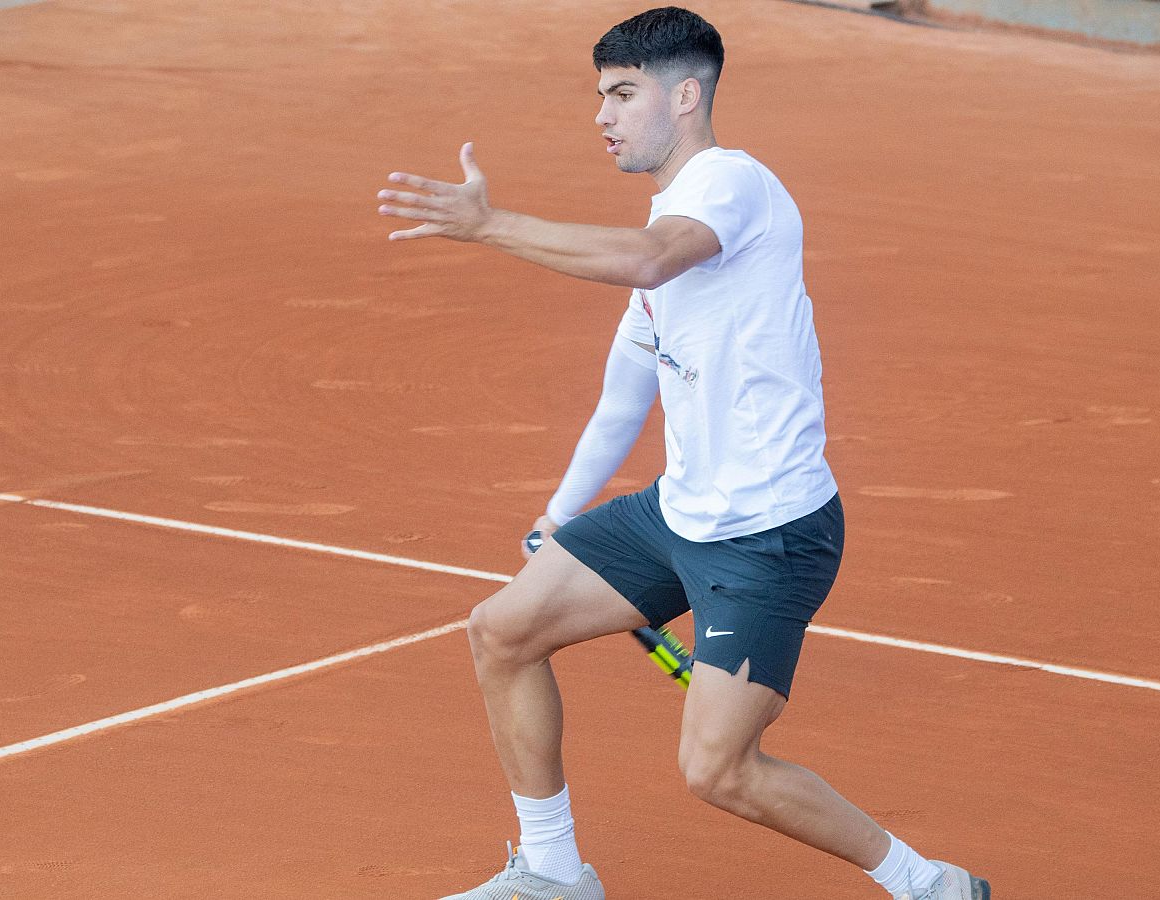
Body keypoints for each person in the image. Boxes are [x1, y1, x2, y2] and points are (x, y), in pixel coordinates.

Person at [375, 8, 989, 900]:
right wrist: (559, 514)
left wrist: (487, 225)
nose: (603, 115)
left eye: (624, 93)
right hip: (677, 513)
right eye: (601, 95)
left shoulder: (730, 183)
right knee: (502, 632)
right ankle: (552, 870)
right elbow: (623, 398)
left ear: (688, 94)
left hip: (767, 537)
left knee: (719, 771)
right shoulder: (667, 230)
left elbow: (649, 260)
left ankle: (925, 881)